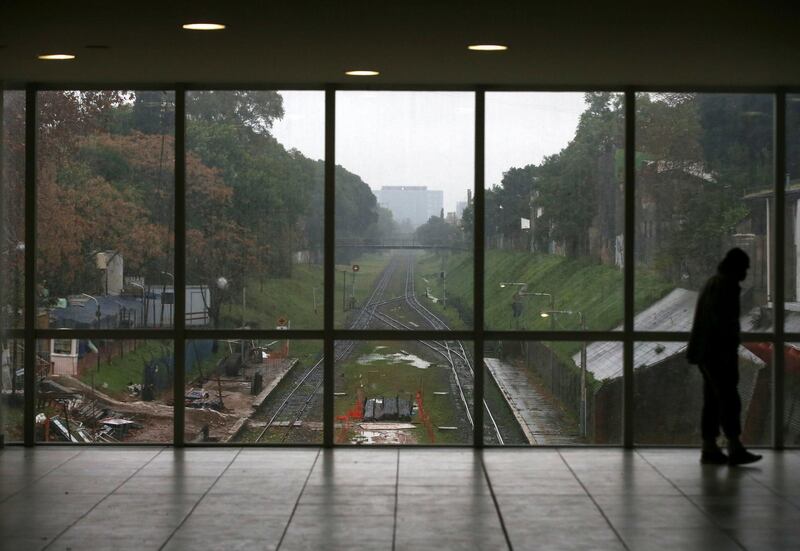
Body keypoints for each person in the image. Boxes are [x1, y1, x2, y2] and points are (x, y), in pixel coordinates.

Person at [687, 248, 762, 466]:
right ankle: (734, 445)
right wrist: (728, 355)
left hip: (705, 353)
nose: (747, 273)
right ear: (736, 267)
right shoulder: (725, 287)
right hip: (718, 354)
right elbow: (724, 325)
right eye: (745, 268)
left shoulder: (713, 283)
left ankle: (710, 446)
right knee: (729, 399)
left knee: (712, 400)